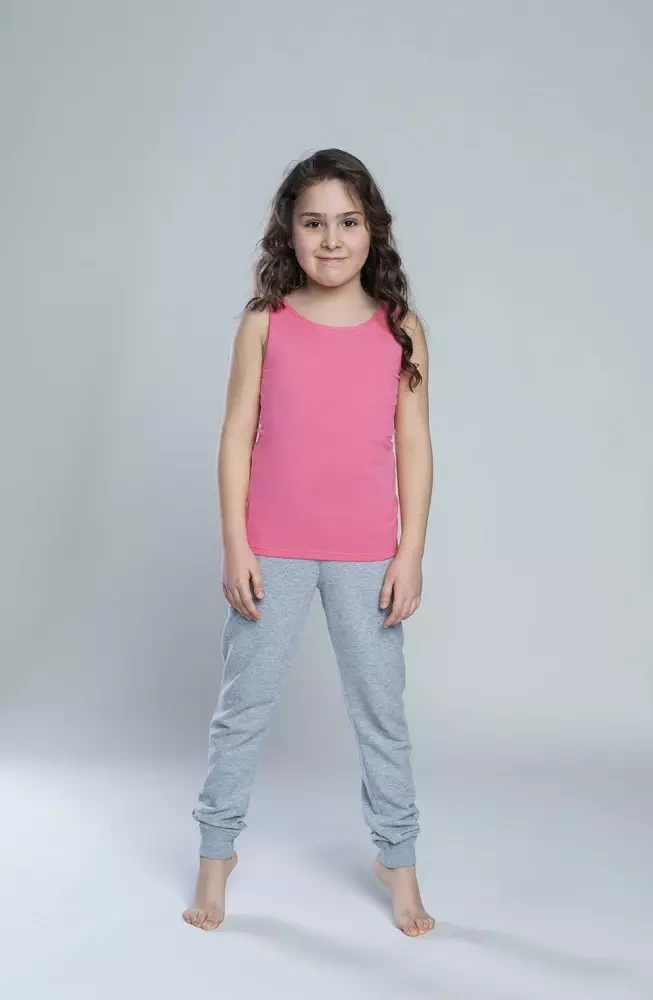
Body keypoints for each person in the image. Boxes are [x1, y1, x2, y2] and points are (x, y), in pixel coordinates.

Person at [183, 148, 435, 936]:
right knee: (243, 709)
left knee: (381, 713)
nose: (331, 239)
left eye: (347, 222)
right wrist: (235, 543)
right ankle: (215, 854)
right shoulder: (266, 322)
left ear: (372, 230)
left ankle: (398, 862)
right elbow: (236, 434)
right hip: (273, 550)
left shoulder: (399, 329)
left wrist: (410, 553)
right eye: (314, 222)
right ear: (288, 232)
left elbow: (414, 445)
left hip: (367, 557)